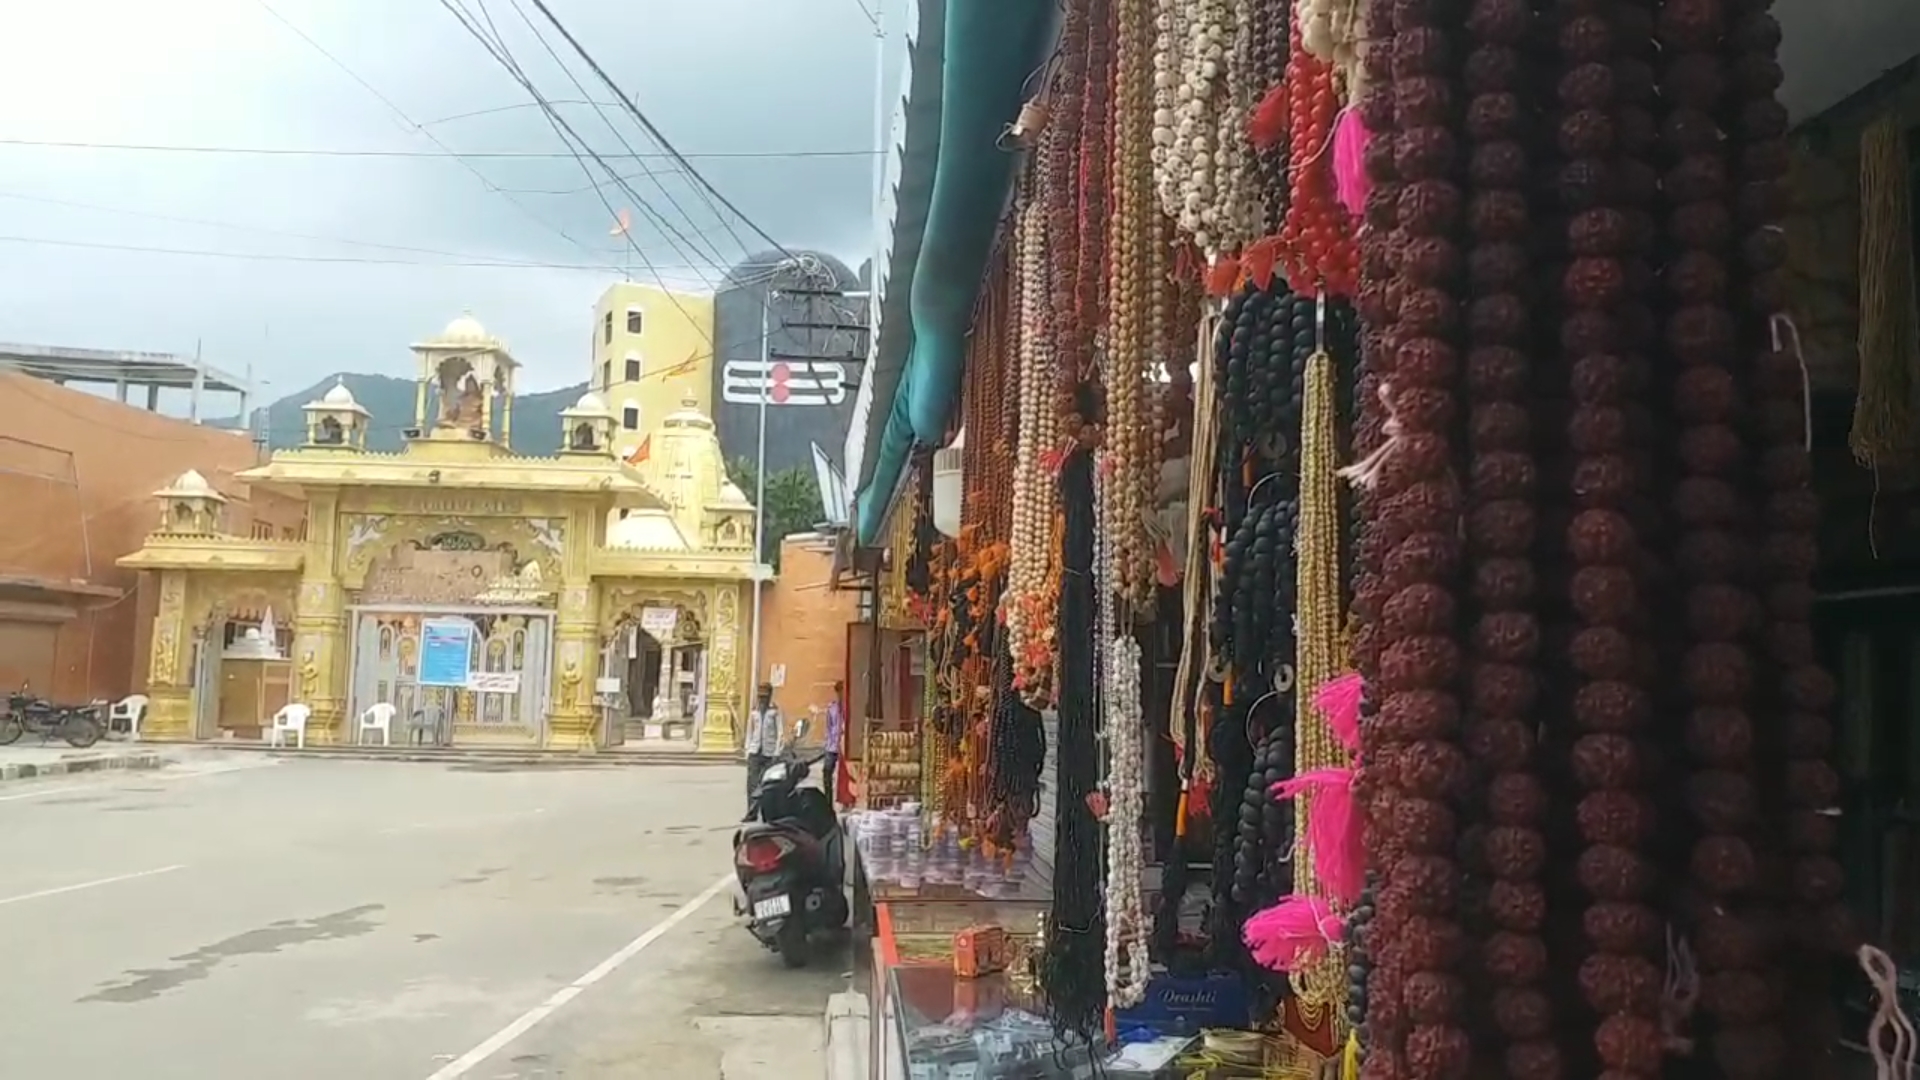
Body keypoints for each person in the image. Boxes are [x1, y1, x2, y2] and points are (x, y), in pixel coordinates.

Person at [743, 683, 783, 814]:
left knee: (768, 784)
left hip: (769, 752)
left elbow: (780, 733)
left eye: (765, 697)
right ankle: (752, 811)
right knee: (752, 783)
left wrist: (777, 751)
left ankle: (768, 811)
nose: (762, 700)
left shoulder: (775, 712)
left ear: (770, 696)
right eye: (760, 697)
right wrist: (747, 749)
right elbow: (750, 731)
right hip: (755, 751)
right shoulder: (754, 711)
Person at [823, 681, 845, 804]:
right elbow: (828, 727)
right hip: (832, 746)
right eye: (839, 692)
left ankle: (844, 800)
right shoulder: (832, 708)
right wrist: (828, 744)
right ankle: (828, 801)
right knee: (826, 771)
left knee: (844, 775)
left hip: (845, 745)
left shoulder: (850, 708)